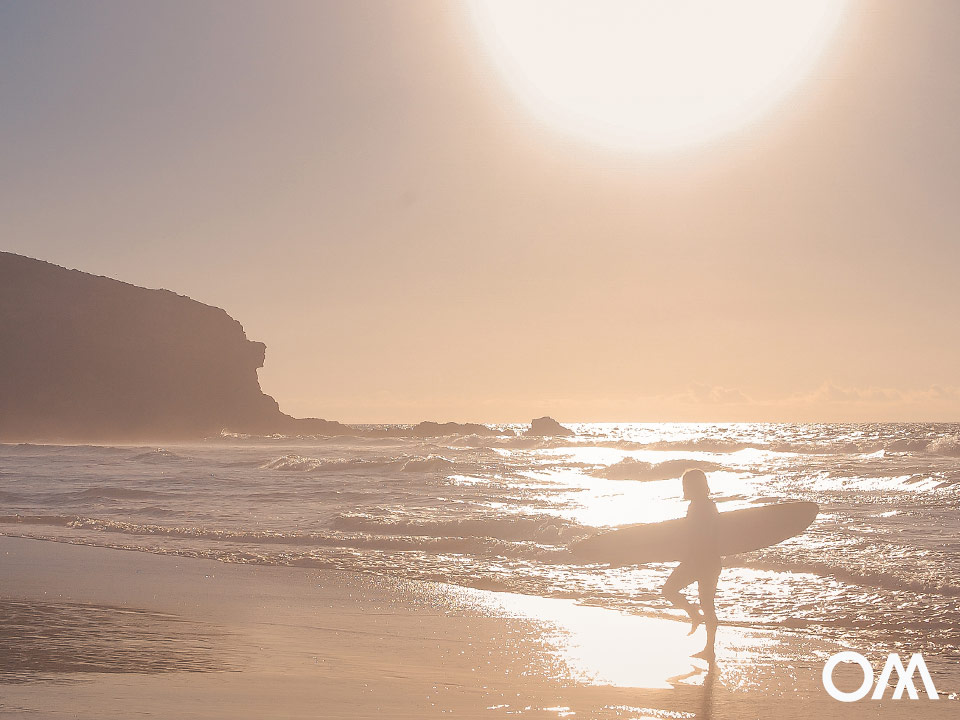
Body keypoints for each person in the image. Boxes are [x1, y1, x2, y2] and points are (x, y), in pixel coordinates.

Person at [662, 468, 721, 662]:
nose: (684, 489)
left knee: (670, 590)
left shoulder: (701, 507)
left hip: (701, 561)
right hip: (708, 561)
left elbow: (704, 535)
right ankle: (708, 645)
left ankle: (696, 618)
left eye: (686, 485)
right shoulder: (702, 505)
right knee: (707, 604)